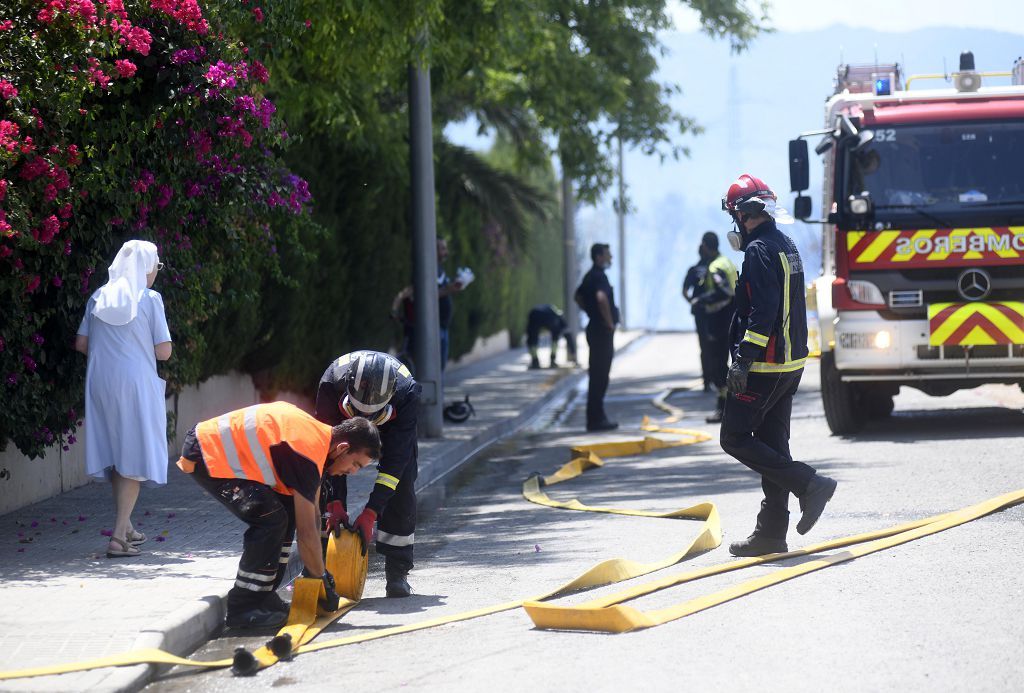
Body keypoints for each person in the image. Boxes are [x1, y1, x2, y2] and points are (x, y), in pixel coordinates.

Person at [176, 402, 381, 628]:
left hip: (211, 448)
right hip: (206, 451)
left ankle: (263, 594)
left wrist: (320, 572)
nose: (352, 472)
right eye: (355, 464)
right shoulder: (307, 452)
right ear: (342, 448)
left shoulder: (318, 445)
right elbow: (306, 533)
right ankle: (243, 607)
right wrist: (320, 577)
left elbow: (312, 514)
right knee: (270, 519)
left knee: (287, 514)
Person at [719, 174, 837, 557]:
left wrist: (742, 362)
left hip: (765, 367)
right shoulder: (785, 244)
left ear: (746, 213)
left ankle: (809, 484)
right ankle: (771, 533)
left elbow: (762, 313)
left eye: (735, 214)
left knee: (733, 437)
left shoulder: (757, 251)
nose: (735, 222)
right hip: (791, 365)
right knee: (773, 445)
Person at [75, 240, 172, 559]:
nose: (156, 273)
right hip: (135, 384)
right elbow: (164, 351)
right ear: (146, 268)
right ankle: (118, 538)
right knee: (133, 456)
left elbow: (81, 343)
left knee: (118, 451)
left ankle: (126, 525)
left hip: (101, 382)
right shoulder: (150, 299)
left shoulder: (98, 296)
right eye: (156, 267)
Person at [314, 350, 421, 597]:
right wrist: (334, 503)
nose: (365, 419)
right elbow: (326, 452)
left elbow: (395, 463)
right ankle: (322, 566)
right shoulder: (331, 383)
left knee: (402, 482)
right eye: (359, 410)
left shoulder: (407, 393)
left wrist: (372, 511)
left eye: (370, 414)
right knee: (322, 472)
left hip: (392, 426)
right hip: (343, 425)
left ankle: (397, 572)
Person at [393, 237, 467, 374]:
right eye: (442, 248)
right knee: (432, 370)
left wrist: (453, 286)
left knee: (440, 369)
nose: (446, 252)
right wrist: (448, 290)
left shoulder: (440, 270)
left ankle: (437, 394)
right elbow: (424, 295)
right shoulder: (427, 270)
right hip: (432, 327)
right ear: (434, 249)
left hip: (443, 326)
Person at [689, 232, 738, 423]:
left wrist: (700, 299)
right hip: (732, 319)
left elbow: (723, 291)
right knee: (725, 363)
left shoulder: (715, 267)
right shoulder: (726, 261)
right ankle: (726, 407)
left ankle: (724, 408)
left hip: (720, 321)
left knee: (718, 366)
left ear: (707, 247)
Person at [574, 243, 619, 432]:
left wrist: (590, 312)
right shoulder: (599, 276)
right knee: (600, 376)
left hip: (594, 328)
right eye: (608, 255)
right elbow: (601, 298)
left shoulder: (589, 276)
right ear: (599, 257)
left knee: (597, 375)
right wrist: (608, 322)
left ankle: (597, 417)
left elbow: (577, 297)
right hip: (601, 332)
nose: (610, 258)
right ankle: (596, 419)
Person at [681, 253, 710, 391]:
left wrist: (692, 302)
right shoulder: (698, 269)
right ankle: (709, 380)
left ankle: (712, 380)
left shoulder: (713, 266)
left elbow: (685, 291)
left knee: (708, 347)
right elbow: (685, 290)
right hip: (709, 314)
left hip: (709, 314)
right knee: (709, 347)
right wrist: (693, 303)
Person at [525, 304, 578, 369]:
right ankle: (552, 361)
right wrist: (573, 353)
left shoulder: (550, 310)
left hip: (533, 314)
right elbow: (568, 336)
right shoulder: (558, 317)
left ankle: (535, 362)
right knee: (555, 339)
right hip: (548, 318)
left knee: (532, 340)